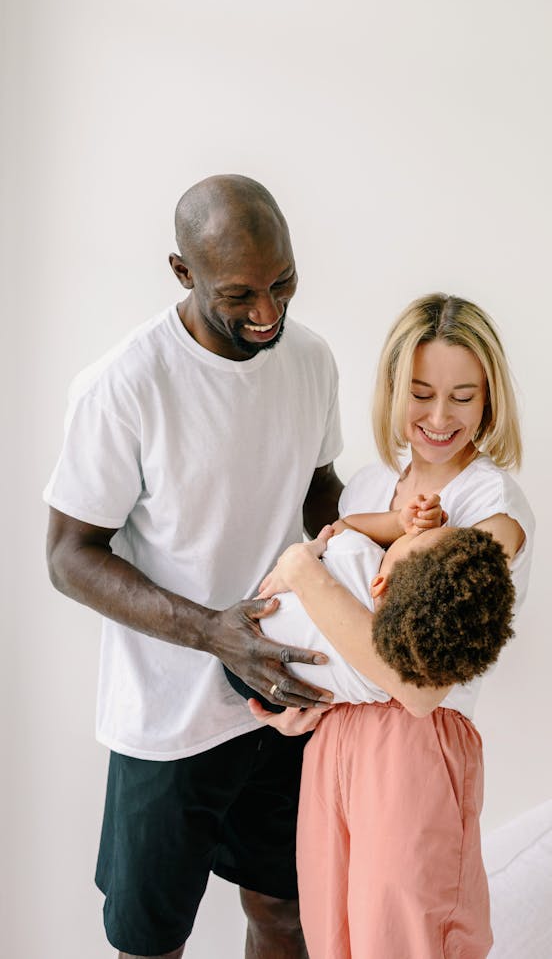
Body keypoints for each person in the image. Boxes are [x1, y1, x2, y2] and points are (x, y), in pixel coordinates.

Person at [43, 174, 344, 959]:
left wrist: (374, 557)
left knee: (286, 918)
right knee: (151, 946)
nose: (268, 313)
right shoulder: (124, 385)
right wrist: (216, 634)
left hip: (286, 699)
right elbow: (69, 556)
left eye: (283, 284)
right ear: (184, 272)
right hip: (166, 724)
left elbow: (318, 489)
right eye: (240, 293)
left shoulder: (310, 359)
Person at [251, 292, 535, 959]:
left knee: (406, 943)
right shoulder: (368, 491)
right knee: (333, 942)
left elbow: (417, 688)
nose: (439, 417)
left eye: (463, 396)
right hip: (332, 745)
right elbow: (334, 632)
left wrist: (305, 573)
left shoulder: (494, 510)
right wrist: (289, 708)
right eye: (420, 392)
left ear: (490, 398)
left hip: (415, 748)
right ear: (390, 391)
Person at [225, 492, 516, 713]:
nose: (419, 530)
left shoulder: (359, 558)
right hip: (292, 700)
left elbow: (340, 528)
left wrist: (396, 522)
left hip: (249, 641)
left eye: (414, 539)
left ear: (380, 585)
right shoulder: (390, 672)